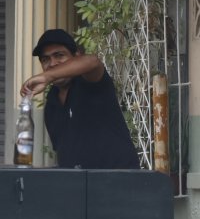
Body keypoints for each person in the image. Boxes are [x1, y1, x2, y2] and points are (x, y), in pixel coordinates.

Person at [20, 28, 139, 170]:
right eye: (45, 59)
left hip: (120, 182)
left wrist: (48, 76)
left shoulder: (90, 82)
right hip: (81, 187)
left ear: (76, 56)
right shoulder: (52, 103)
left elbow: (92, 62)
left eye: (59, 55)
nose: (52, 63)